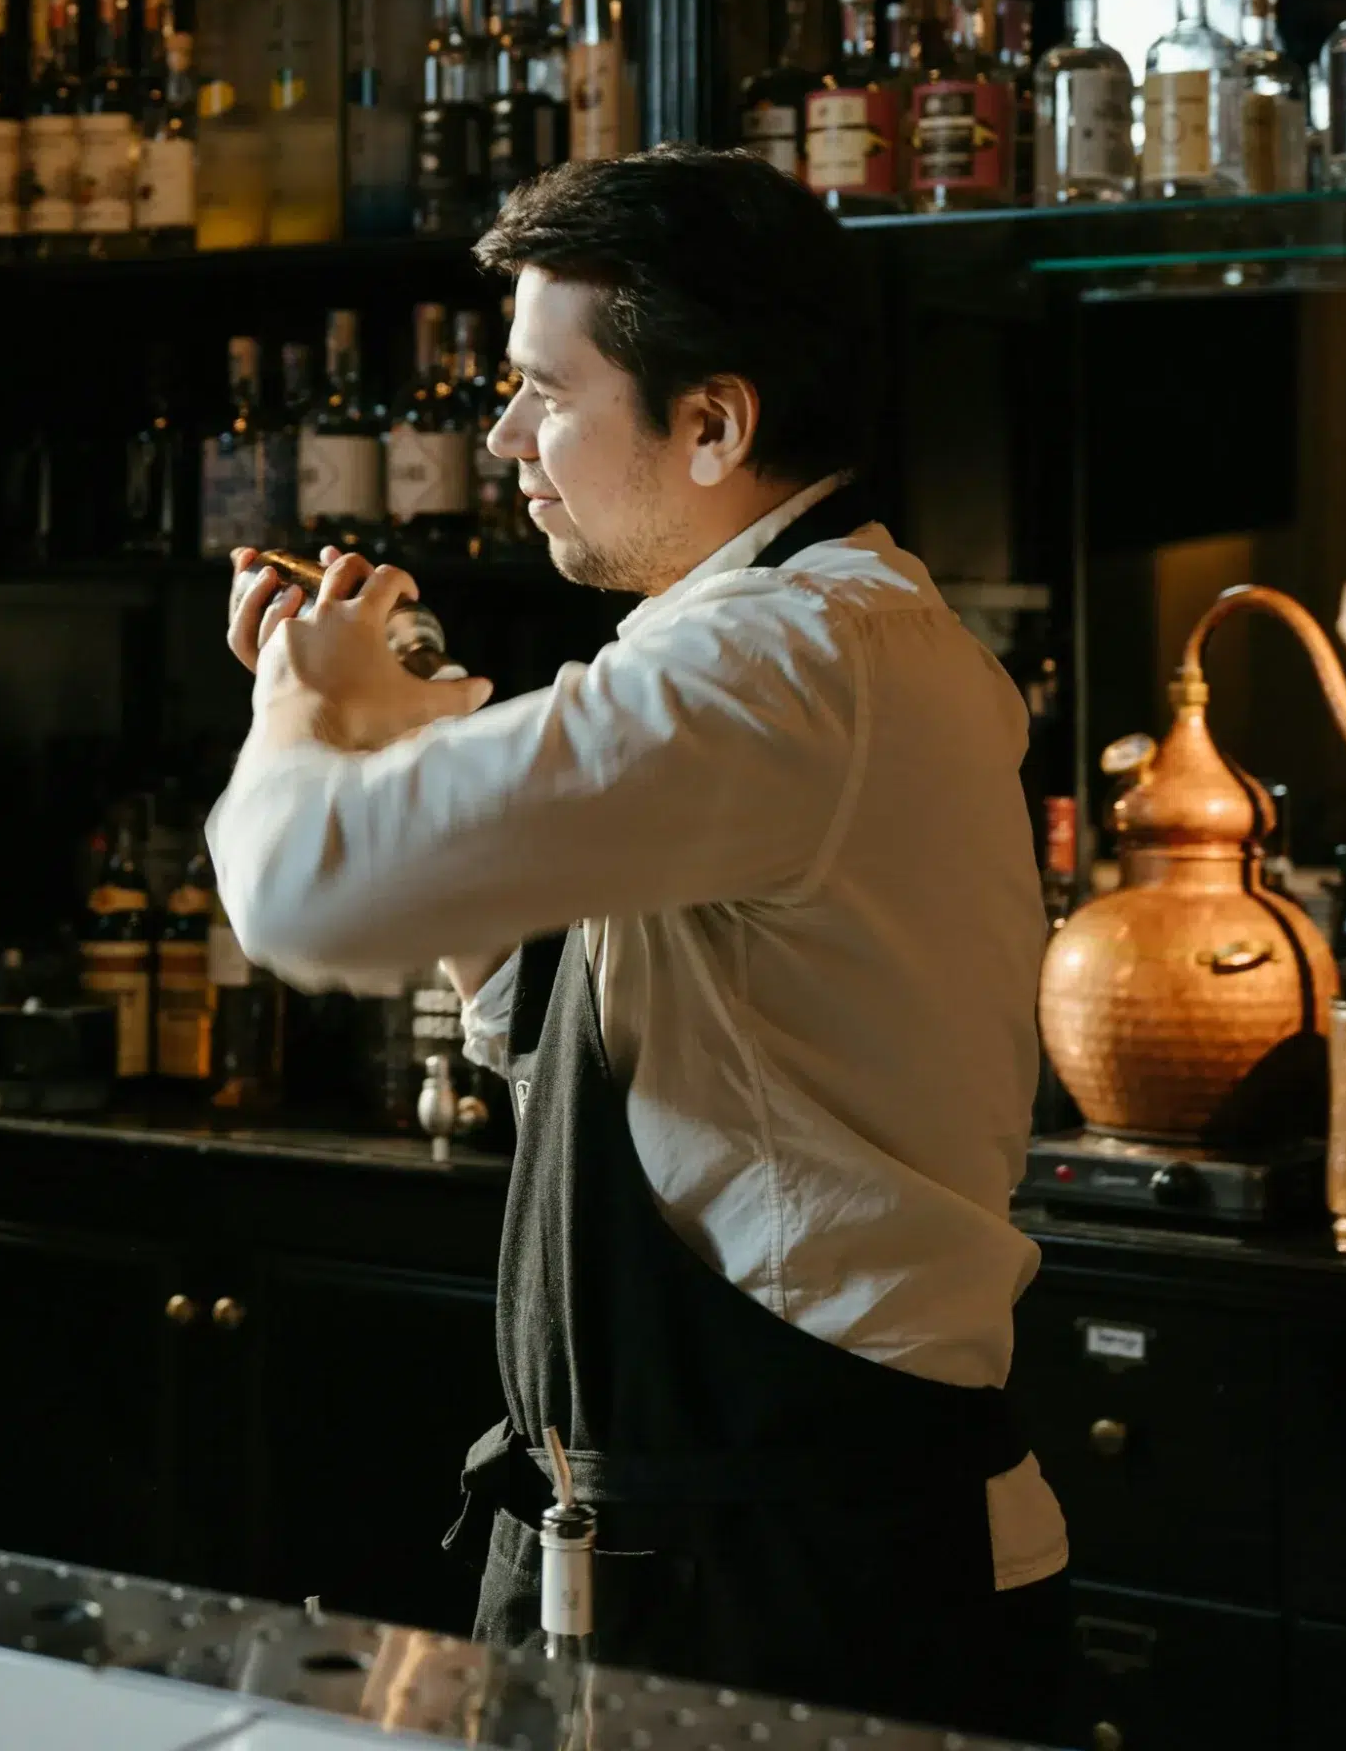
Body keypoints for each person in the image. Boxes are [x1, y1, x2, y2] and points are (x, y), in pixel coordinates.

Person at [210, 147, 1069, 1738]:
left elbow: (294, 889)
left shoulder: (781, 664)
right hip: (694, 1557)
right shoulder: (768, 645)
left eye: (544, 391)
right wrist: (402, 740)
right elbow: (601, 1051)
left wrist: (310, 709)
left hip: (810, 1580)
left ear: (714, 423)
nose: (502, 438)